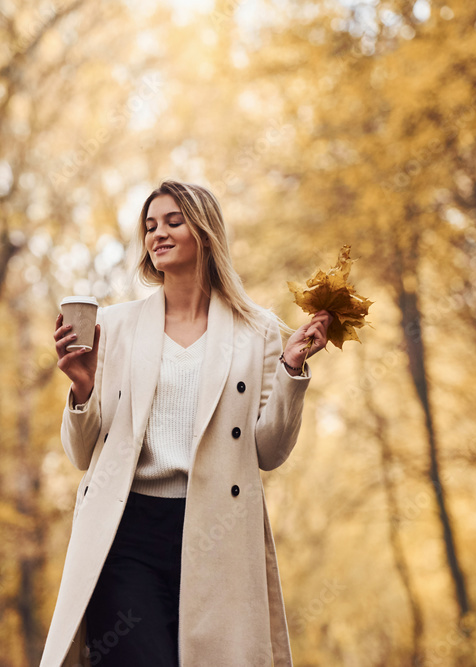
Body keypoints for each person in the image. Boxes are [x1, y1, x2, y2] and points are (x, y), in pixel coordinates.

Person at [40, 180, 330, 667]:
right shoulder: (115, 326)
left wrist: (291, 370)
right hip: (126, 532)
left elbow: (269, 452)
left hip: (217, 532)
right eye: (150, 226)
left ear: (205, 232)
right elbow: (81, 455)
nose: (158, 233)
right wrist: (82, 388)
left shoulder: (256, 329)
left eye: (174, 221)